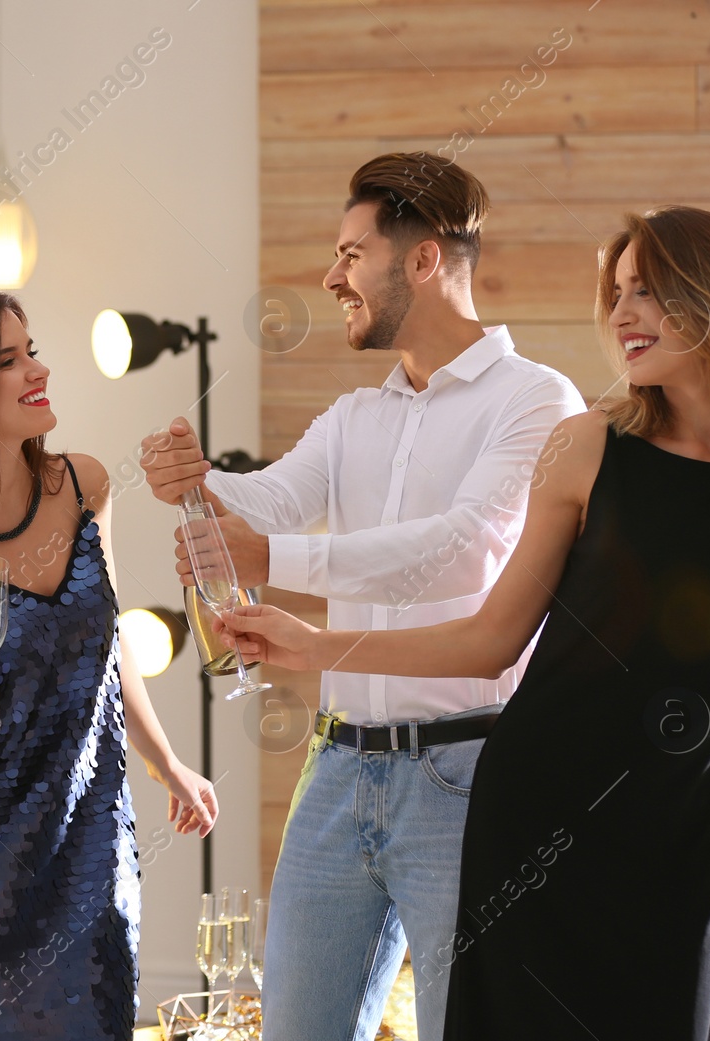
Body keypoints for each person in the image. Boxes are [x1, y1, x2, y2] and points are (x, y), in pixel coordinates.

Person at [219, 205, 710, 1040]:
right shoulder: (586, 443)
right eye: (619, 293)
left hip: (677, 827)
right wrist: (314, 644)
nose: (624, 315)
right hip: (535, 806)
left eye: (649, 291)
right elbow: (493, 636)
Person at [142, 152, 586, 1040]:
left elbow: (461, 551)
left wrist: (272, 555)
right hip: (336, 770)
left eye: (351, 253)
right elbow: (267, 496)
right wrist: (198, 482)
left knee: (471, 1027)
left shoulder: (537, 402)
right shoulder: (358, 415)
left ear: (422, 262)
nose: (330, 276)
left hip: (464, 775)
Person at [0, 288, 218, 1040]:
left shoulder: (85, 486)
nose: (38, 368)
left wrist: (166, 763)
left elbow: (110, 643)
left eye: (32, 349)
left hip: (88, 851)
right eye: (8, 360)